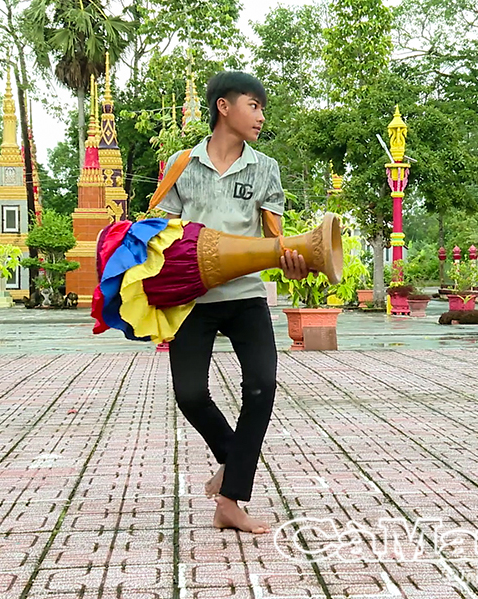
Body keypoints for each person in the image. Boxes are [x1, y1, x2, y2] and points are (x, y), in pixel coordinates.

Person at [158, 72, 310, 533]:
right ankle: (234, 461)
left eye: (262, 108)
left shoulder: (265, 168)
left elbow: (274, 238)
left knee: (262, 387)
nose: (262, 116)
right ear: (224, 107)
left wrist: (290, 260)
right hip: (193, 300)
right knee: (190, 395)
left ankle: (230, 500)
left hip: (246, 297)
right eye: (254, 105)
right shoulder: (180, 164)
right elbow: (164, 236)